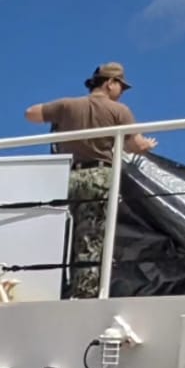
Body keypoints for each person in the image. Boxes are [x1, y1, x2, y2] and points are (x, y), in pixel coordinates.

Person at [24, 63, 158, 299]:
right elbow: (134, 145)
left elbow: (31, 113)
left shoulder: (68, 105)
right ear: (110, 83)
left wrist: (62, 121)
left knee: (63, 233)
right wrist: (147, 145)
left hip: (67, 177)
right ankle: (85, 295)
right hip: (99, 177)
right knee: (92, 236)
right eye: (121, 86)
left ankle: (55, 287)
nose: (122, 92)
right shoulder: (119, 111)